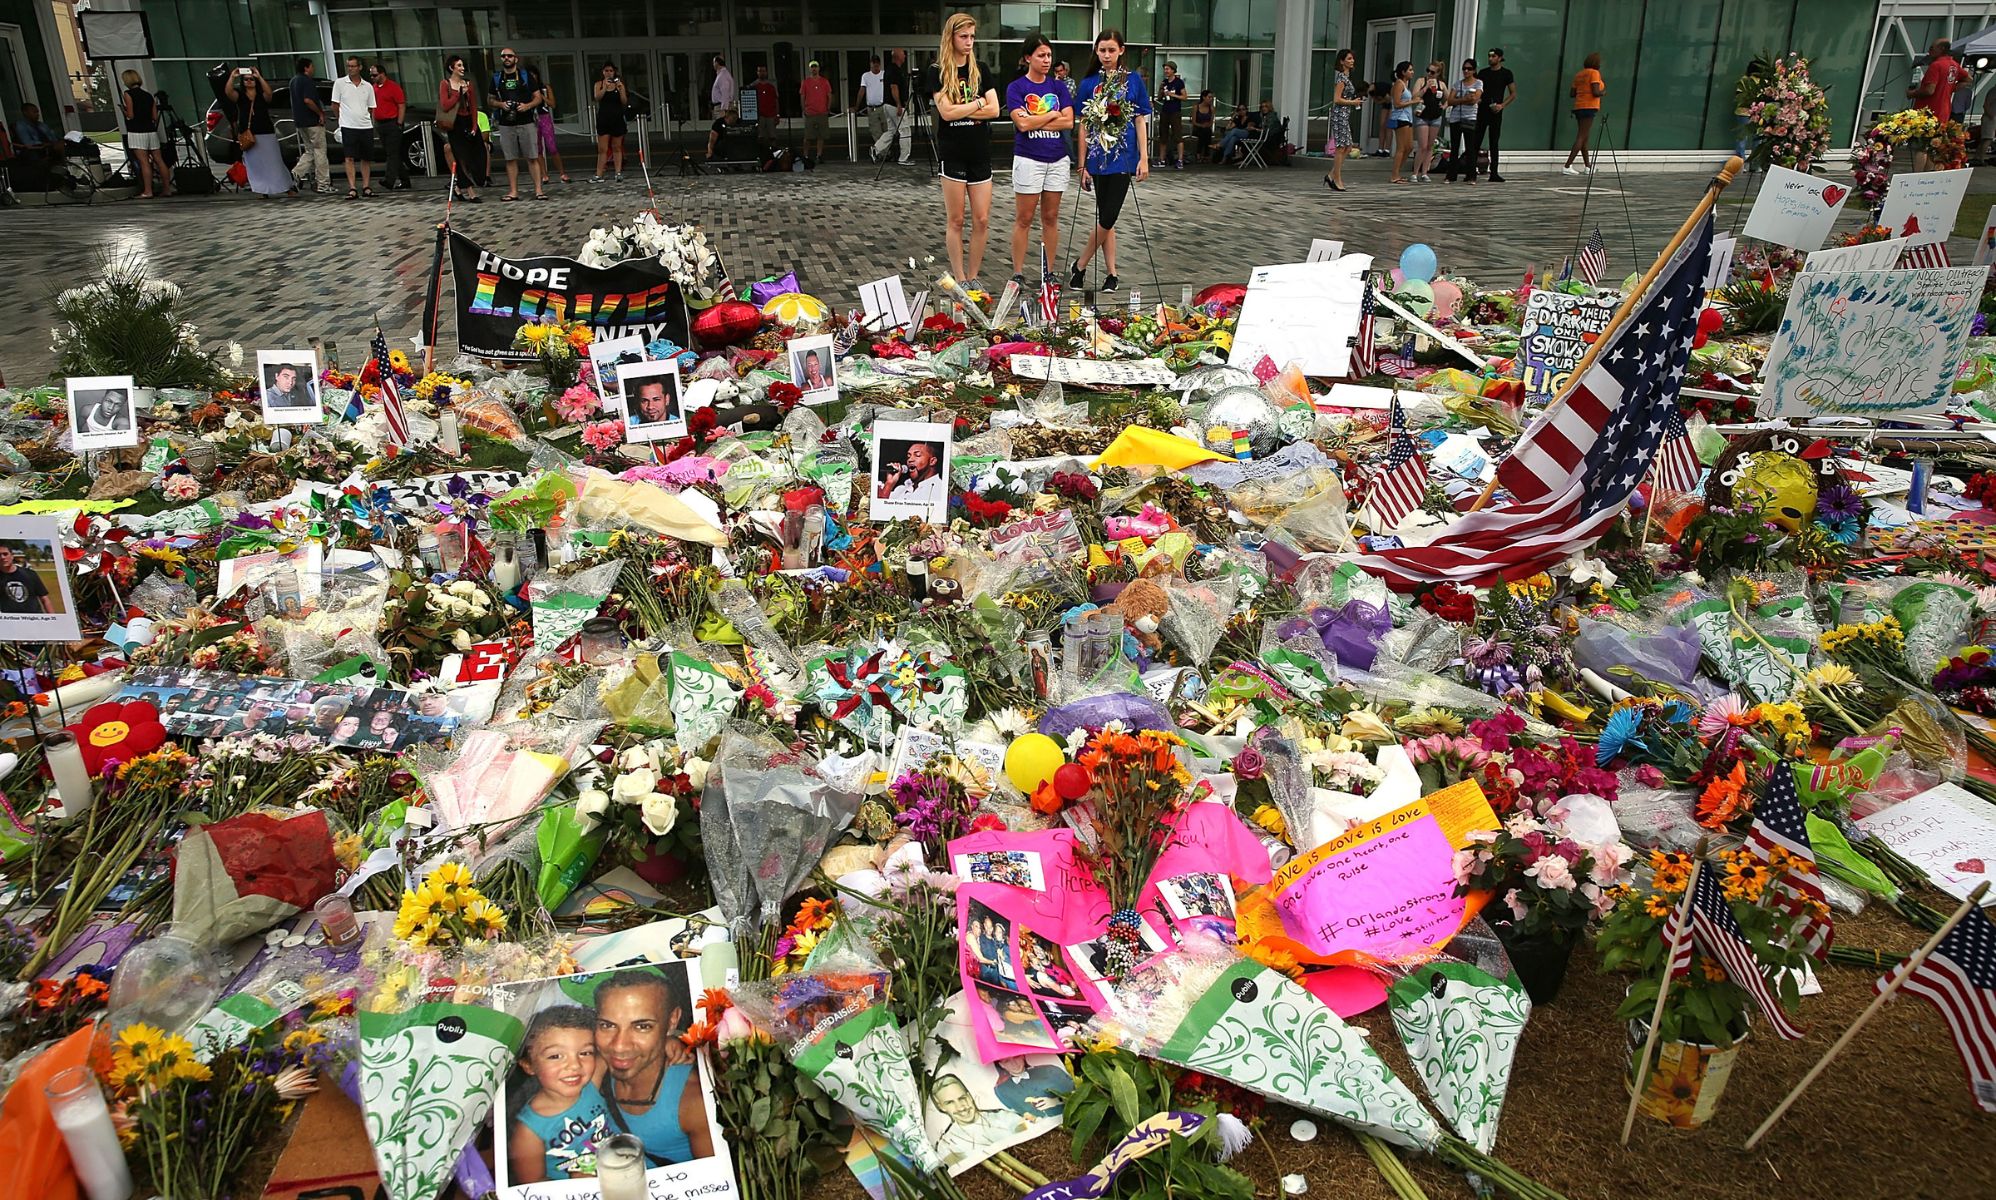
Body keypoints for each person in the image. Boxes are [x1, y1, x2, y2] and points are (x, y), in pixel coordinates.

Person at [593, 971, 711, 1167]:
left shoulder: (694, 1103)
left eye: (642, 1027)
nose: (619, 1046)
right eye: (607, 1025)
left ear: (672, 1020)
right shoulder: (588, 1067)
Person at [1070, 30, 1150, 293]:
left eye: (1111, 50)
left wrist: (1144, 158)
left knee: (1109, 215)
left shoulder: (1133, 81)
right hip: (1097, 157)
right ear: (1096, 51)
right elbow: (1082, 125)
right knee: (1107, 217)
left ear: (1121, 50)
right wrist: (1081, 165)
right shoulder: (1089, 83)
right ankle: (1112, 274)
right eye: (1102, 50)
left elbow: (1140, 120)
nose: (1106, 55)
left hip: (1124, 157)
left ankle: (1080, 265)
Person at [927, 14, 1000, 287]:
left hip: (980, 151)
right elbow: (946, 113)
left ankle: (973, 277)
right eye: (963, 37)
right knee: (956, 219)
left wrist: (970, 109)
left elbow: (995, 108)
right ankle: (959, 278)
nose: (969, 42)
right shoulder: (937, 71)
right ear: (951, 38)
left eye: (972, 36)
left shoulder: (980, 69)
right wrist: (978, 104)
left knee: (981, 219)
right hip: (953, 151)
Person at [508, 1007, 608, 1185]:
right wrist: (572, 1186)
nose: (575, 1065)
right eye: (555, 1056)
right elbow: (531, 1185)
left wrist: (670, 1040)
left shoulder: (592, 1080)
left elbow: (617, 1050)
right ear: (528, 1065)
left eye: (585, 1053)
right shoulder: (529, 1132)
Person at [1007, 34, 1073, 286]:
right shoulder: (1017, 88)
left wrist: (1039, 118)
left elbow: (1068, 121)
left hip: (1057, 159)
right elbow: (1022, 123)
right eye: (1041, 55)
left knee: (1051, 217)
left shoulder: (1058, 86)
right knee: (1024, 218)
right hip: (1028, 159)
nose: (1047, 60)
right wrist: (1053, 114)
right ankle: (1018, 272)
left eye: (1049, 55)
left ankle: (1049, 272)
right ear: (1028, 58)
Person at [226, 66, 293, 198]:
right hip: (249, 133)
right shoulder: (240, 96)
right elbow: (228, 92)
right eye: (246, 79)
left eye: (251, 79)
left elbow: (269, 94)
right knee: (255, 164)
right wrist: (232, 76)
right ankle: (262, 189)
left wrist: (259, 76)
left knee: (274, 161)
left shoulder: (261, 95)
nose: (249, 81)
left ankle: (284, 187)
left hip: (265, 130)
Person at [490, 48, 547, 201]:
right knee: (510, 158)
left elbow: (538, 98)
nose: (506, 58)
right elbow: (490, 99)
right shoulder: (497, 78)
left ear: (516, 58)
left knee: (532, 157)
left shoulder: (525, 76)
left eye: (509, 56)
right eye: (503, 56)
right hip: (506, 122)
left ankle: (538, 190)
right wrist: (501, 105)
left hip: (526, 121)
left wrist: (527, 106)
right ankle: (513, 191)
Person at [1910, 39, 1968, 170]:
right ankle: (1927, 176)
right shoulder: (1954, 65)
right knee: (1933, 146)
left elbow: (1929, 90)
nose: (1929, 52)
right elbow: (1968, 78)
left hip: (1928, 112)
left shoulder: (1936, 65)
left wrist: (1912, 93)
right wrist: (1951, 88)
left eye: (1932, 49)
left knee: (1921, 147)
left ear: (1941, 49)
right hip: (1944, 111)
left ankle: (1916, 177)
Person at [437, 55, 483, 202]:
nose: (462, 68)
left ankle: (458, 187)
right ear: (451, 68)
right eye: (459, 66)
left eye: (463, 65)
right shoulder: (445, 84)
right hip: (455, 124)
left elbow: (474, 106)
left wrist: (475, 126)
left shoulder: (468, 84)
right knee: (461, 157)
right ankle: (470, 191)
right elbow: (445, 104)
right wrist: (458, 94)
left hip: (468, 120)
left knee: (478, 153)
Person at [330, 56, 377, 199]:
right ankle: (352, 187)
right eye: (349, 66)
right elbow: (335, 104)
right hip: (348, 125)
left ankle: (366, 186)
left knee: (366, 157)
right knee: (349, 157)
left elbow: (371, 107)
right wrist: (341, 119)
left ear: (360, 67)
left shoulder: (367, 86)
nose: (350, 69)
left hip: (365, 125)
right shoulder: (340, 83)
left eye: (353, 66)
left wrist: (366, 118)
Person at [1468, 47, 1515, 182]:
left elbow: (1513, 93)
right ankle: (1471, 172)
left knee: (1494, 142)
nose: (1490, 59)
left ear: (1500, 58)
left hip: (1496, 111)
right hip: (1482, 110)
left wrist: (1502, 106)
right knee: (1476, 141)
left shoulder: (1506, 73)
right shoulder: (1483, 73)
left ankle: (1494, 172)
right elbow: (1477, 88)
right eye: (1489, 56)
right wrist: (1477, 99)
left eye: (1493, 56)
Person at [121, 69, 170, 199]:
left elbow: (131, 115)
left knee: (144, 162)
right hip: (151, 130)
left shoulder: (127, 94)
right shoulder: (149, 95)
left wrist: (123, 111)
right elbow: (154, 116)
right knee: (159, 160)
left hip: (137, 131)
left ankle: (148, 191)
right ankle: (167, 189)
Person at [289, 58, 331, 194]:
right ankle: (323, 183)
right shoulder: (307, 81)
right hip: (312, 121)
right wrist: (320, 113)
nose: (313, 69)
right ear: (306, 68)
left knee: (310, 150)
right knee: (320, 151)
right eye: (312, 66)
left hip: (300, 121)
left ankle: (296, 173)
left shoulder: (294, 81)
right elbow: (308, 100)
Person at [1323, 50, 1360, 190]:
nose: (1352, 61)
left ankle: (1331, 175)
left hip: (1345, 114)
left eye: (1352, 58)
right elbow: (1336, 99)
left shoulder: (1346, 77)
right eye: (1349, 59)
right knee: (1340, 148)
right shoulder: (1341, 79)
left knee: (1348, 146)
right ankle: (1337, 178)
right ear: (1342, 61)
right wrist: (1353, 102)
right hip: (1340, 115)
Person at [1441, 58, 1483, 183]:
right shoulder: (1457, 84)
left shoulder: (1478, 83)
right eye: (1464, 68)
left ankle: (1471, 175)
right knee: (1454, 147)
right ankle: (1451, 175)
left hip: (1470, 117)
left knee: (1470, 147)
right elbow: (1450, 100)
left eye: (1469, 69)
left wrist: (1460, 99)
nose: (1466, 71)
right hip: (1456, 117)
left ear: (1474, 70)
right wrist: (1464, 99)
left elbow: (1475, 100)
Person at [369, 63, 408, 191]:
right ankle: (405, 179)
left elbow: (401, 105)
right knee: (393, 153)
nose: (372, 77)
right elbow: (373, 107)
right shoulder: (374, 88)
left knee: (392, 153)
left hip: (392, 122)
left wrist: (399, 123)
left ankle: (389, 180)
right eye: (371, 75)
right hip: (381, 124)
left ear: (382, 74)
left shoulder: (393, 87)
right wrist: (374, 121)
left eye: (374, 75)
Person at [1564, 52, 1603, 174]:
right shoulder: (1594, 73)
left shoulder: (1579, 74)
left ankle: (1588, 167)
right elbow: (1596, 92)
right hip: (1589, 106)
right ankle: (1567, 166)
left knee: (1584, 137)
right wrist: (1603, 93)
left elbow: (1572, 93)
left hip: (1579, 106)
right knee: (1581, 137)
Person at [878, 439, 946, 507]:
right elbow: (881, 509)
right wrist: (889, 484)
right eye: (908, 456)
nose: (910, 460)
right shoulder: (901, 489)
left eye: (917, 455)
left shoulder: (939, 490)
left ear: (932, 461)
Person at [533, 63, 570, 183]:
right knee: (537, 148)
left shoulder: (545, 87)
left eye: (534, 75)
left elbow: (553, 104)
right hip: (532, 118)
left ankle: (562, 173)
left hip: (544, 116)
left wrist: (542, 97)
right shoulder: (525, 89)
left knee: (552, 146)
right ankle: (544, 175)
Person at [593, 63, 629, 182]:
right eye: (606, 71)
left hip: (617, 118)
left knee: (617, 147)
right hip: (604, 118)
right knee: (602, 148)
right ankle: (599, 174)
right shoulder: (598, 84)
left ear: (614, 72)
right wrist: (604, 87)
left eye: (611, 71)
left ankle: (618, 172)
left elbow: (624, 101)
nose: (609, 73)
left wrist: (620, 88)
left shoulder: (619, 85)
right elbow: (597, 98)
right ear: (603, 72)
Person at [1412, 60, 1446, 182]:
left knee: (1430, 146)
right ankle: (1415, 172)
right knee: (1422, 145)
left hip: (1436, 116)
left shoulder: (1441, 84)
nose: (1429, 74)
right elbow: (1415, 96)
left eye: (1432, 72)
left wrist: (1445, 105)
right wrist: (1426, 87)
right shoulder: (1421, 81)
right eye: (1428, 71)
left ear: (1438, 73)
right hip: (1423, 116)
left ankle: (1425, 172)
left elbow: (1448, 97)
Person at [0, 545, 51, 615]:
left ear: (12, 556)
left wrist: (53, 620)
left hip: (34, 619)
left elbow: (44, 599)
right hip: (10, 621)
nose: (2, 557)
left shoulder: (30, 574)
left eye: (5, 554)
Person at [1385, 61, 1415, 183]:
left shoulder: (1405, 85)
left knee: (1409, 147)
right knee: (1401, 148)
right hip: (1399, 118)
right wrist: (1413, 102)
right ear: (1403, 72)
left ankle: (1397, 172)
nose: (1412, 72)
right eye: (1410, 70)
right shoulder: (1398, 84)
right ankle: (1394, 175)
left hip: (1407, 118)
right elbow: (1397, 104)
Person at [800, 60, 832, 167]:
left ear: (818, 68)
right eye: (812, 67)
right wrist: (803, 108)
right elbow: (802, 95)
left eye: (815, 67)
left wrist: (828, 107)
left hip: (822, 111)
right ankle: (806, 155)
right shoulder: (806, 82)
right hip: (810, 112)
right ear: (809, 69)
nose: (814, 69)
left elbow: (829, 94)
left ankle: (819, 155)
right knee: (808, 136)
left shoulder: (824, 81)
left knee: (821, 135)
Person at [1155, 60, 1187, 169]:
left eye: (1168, 69)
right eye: (1165, 69)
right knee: (1163, 136)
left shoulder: (1179, 82)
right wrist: (1161, 90)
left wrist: (1174, 95)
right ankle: (1162, 160)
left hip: (1175, 111)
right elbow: (1159, 98)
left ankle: (1180, 160)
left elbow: (1184, 97)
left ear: (1173, 70)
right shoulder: (1164, 82)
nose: (1166, 71)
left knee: (1177, 135)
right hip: (1165, 110)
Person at [858, 55, 890, 159]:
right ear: (870, 65)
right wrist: (857, 105)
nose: (875, 67)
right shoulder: (866, 76)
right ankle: (883, 153)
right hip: (872, 107)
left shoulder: (884, 74)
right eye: (873, 65)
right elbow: (862, 90)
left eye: (877, 65)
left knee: (887, 130)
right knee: (876, 132)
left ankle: (885, 152)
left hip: (883, 106)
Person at [885, 48, 914, 164]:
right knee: (905, 130)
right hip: (895, 105)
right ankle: (903, 158)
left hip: (888, 104)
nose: (905, 57)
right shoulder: (895, 70)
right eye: (903, 54)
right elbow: (894, 87)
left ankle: (877, 149)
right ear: (897, 56)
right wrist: (899, 104)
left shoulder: (890, 69)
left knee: (891, 131)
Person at [749, 64, 779, 146]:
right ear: (757, 72)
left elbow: (776, 100)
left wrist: (777, 114)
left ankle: (773, 153)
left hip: (771, 114)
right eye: (760, 71)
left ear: (766, 72)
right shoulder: (753, 85)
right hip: (759, 115)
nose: (762, 73)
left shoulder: (771, 85)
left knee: (772, 137)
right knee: (760, 137)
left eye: (763, 71)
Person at [1190, 89, 1216, 164]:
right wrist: (1201, 125)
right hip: (1198, 127)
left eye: (1212, 98)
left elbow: (1211, 121)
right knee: (1204, 132)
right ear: (1204, 97)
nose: (1211, 99)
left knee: (1206, 132)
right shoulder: (1196, 107)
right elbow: (1194, 121)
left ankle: (1204, 154)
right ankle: (1203, 154)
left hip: (1207, 128)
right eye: (1209, 97)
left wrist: (1207, 125)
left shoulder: (1211, 108)